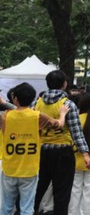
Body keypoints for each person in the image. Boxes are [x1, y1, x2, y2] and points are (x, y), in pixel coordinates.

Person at [1, 83, 67, 215]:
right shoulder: (38, 117)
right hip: (30, 169)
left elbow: (16, 111)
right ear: (33, 99)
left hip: (9, 168)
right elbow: (59, 125)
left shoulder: (5, 116)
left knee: (6, 207)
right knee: (27, 207)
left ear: (14, 98)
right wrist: (62, 113)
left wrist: (3, 103)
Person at [34, 70, 90, 215]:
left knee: (37, 190)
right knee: (62, 193)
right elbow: (76, 132)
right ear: (64, 84)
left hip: (41, 152)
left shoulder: (37, 104)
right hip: (63, 153)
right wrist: (85, 154)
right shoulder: (68, 105)